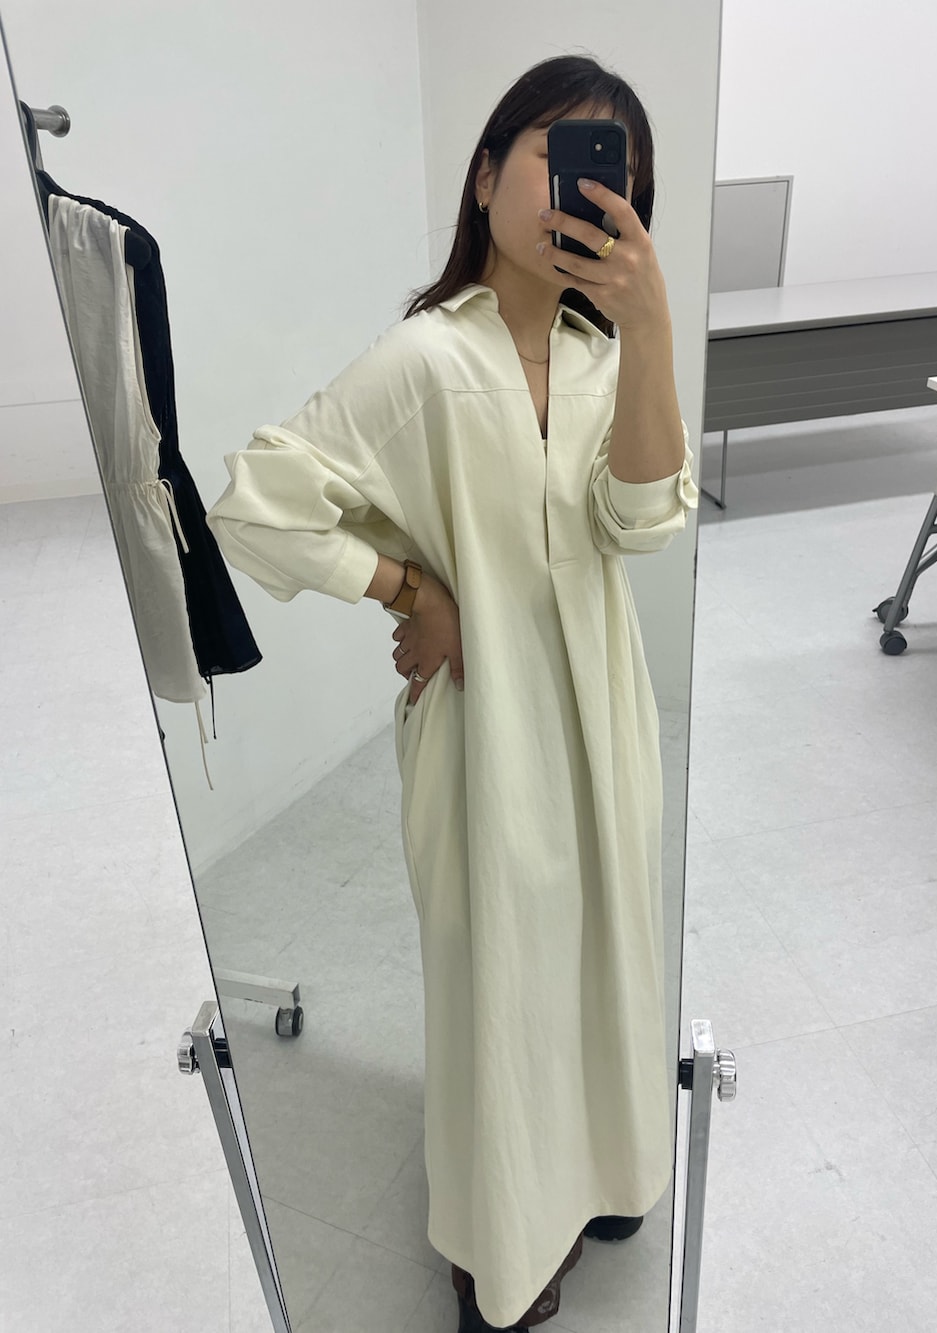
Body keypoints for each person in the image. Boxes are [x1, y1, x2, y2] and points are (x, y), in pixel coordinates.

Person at [206, 53, 697, 1333]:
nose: (583, 195)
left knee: (604, 949)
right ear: (485, 177)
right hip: (485, 729)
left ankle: (603, 1174)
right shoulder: (426, 359)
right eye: (556, 156)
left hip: (602, 717)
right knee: (502, 981)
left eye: (615, 181)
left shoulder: (603, 361)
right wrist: (407, 588)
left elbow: (642, 522)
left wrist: (649, 329)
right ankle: (501, 1245)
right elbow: (255, 503)